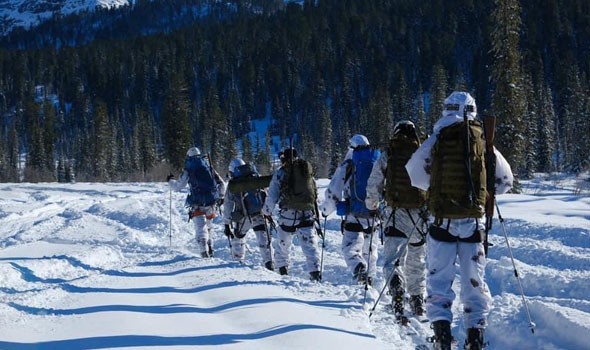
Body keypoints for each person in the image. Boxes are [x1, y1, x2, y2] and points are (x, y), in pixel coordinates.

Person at [405, 91, 513, 350]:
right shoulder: (482, 140)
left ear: (445, 109)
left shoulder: (437, 138)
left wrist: (434, 187)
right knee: (474, 281)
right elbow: (506, 181)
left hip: (442, 222)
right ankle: (475, 336)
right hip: (474, 224)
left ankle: (442, 336)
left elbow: (414, 173)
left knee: (439, 280)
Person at [365, 121, 428, 320]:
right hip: (418, 215)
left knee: (393, 259)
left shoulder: (389, 154)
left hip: (395, 214)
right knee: (416, 259)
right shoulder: (422, 153)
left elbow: (374, 182)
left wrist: (372, 205)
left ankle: (396, 289)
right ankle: (417, 297)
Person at [319, 134, 380, 286]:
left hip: (354, 214)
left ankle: (358, 268)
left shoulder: (348, 165)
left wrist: (326, 210)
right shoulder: (377, 162)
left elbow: (334, 191)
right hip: (374, 213)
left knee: (349, 247)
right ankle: (370, 279)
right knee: (371, 250)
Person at [261, 148, 323, 282]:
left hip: (288, 215)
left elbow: (272, 195)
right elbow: (313, 192)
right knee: (310, 245)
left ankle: (283, 270)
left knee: (283, 243)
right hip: (306, 213)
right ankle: (315, 273)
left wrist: (266, 211)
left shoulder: (281, 173)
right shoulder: (306, 171)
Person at [168, 147, 226, 258]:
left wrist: (170, 181)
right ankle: (211, 249)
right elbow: (222, 183)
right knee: (208, 227)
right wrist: (220, 197)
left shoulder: (188, 169)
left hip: (197, 203)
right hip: (211, 202)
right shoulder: (209, 167)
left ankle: (204, 253)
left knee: (200, 228)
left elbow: (177, 187)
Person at [222, 158, 274, 270]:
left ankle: (238, 262)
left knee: (237, 238)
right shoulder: (255, 176)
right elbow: (265, 193)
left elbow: (228, 204)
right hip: (259, 213)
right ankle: (269, 264)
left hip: (244, 217)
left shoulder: (234, 183)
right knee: (263, 240)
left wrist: (227, 223)